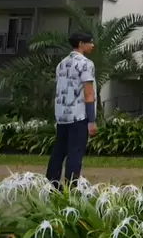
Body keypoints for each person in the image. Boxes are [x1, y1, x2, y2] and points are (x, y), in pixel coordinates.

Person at [46, 32, 98, 189]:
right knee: (75, 153)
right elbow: (89, 94)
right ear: (81, 44)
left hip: (62, 115)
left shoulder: (61, 64)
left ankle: (52, 185)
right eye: (90, 42)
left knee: (59, 152)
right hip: (78, 115)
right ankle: (72, 187)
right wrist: (91, 120)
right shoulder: (86, 64)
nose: (92, 45)